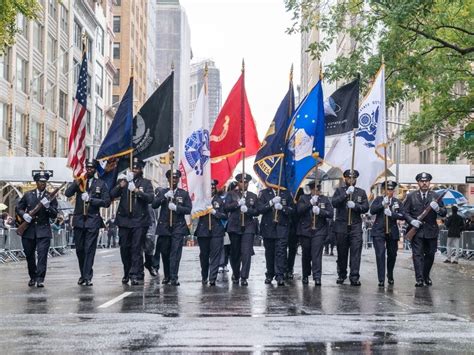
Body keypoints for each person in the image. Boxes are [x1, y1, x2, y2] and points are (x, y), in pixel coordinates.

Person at [65, 159, 110, 286]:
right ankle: (83, 274)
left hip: (92, 220)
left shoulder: (101, 184)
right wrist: (76, 182)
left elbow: (106, 202)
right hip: (79, 220)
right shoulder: (80, 182)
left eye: (92, 168)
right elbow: (67, 193)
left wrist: (92, 200)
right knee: (80, 249)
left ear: (95, 170)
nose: (89, 170)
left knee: (89, 249)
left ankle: (87, 276)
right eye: (87, 167)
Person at [110, 158, 154, 285]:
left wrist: (136, 191)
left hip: (139, 220)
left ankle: (135, 274)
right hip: (124, 220)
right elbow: (112, 194)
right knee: (124, 247)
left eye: (137, 168)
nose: (134, 170)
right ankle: (126, 272)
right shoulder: (123, 181)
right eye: (132, 168)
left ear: (141, 170)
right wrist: (121, 185)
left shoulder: (146, 183)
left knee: (136, 248)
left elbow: (150, 198)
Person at [403, 172, 447, 287]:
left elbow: (444, 212)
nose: (424, 183)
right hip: (417, 231)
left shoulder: (435, 196)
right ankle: (419, 279)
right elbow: (405, 212)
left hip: (431, 230)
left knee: (430, 255)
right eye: (422, 181)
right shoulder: (411, 196)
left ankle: (426, 275)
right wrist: (412, 221)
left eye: (426, 181)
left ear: (429, 182)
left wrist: (438, 209)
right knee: (417, 255)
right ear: (418, 182)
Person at [15, 170, 58, 287]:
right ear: (36, 182)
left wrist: (48, 207)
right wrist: (24, 215)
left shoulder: (50, 197)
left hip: (43, 230)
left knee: (42, 255)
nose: (42, 184)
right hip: (29, 230)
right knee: (29, 255)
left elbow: (55, 214)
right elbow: (18, 208)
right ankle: (33, 276)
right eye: (40, 181)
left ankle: (40, 278)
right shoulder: (28, 195)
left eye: (44, 182)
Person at [152, 169, 192, 286]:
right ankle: (167, 275)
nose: (174, 180)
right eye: (171, 178)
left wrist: (177, 208)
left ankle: (174, 277)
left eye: (176, 178)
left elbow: (188, 209)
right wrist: (164, 197)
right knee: (165, 253)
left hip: (178, 227)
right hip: (164, 227)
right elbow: (154, 205)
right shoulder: (163, 191)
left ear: (178, 179)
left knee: (175, 253)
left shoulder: (183, 193)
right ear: (168, 179)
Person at [331, 169, 369, 286]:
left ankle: (354, 276)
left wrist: (356, 206)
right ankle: (342, 274)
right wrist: (346, 194)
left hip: (355, 226)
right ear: (345, 179)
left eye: (353, 178)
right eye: (349, 178)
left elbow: (366, 207)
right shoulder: (339, 191)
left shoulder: (361, 192)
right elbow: (334, 203)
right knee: (342, 253)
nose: (351, 180)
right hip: (341, 225)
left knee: (356, 252)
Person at [296, 181, 334, 286]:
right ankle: (305, 274)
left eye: (319, 189)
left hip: (319, 230)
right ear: (312, 189)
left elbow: (330, 213)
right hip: (305, 230)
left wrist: (320, 212)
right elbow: (299, 211)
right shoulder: (304, 198)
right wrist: (310, 204)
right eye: (316, 189)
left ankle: (317, 276)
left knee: (316, 254)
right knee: (306, 254)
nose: (318, 191)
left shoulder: (325, 199)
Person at [257, 183, 294, 286]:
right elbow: (259, 209)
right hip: (268, 227)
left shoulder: (286, 193)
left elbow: (292, 210)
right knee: (269, 253)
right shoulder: (264, 193)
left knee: (281, 252)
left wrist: (283, 208)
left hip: (282, 227)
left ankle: (280, 275)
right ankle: (270, 274)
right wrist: (271, 202)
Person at [224, 173, 259, 286]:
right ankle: (236, 273)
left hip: (248, 226)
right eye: (242, 182)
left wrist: (248, 210)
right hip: (234, 227)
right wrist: (237, 203)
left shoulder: (253, 196)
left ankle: (244, 277)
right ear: (238, 183)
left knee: (246, 253)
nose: (245, 184)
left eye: (246, 182)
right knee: (235, 253)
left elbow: (257, 211)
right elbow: (226, 207)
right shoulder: (231, 194)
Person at [369, 181, 405, 287]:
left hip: (392, 231)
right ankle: (381, 278)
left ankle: (390, 274)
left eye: (391, 189)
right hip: (379, 231)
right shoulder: (379, 199)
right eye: (388, 189)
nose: (389, 191)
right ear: (384, 190)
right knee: (380, 254)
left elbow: (402, 215)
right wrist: (382, 205)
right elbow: (372, 210)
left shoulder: (397, 202)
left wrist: (392, 214)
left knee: (392, 255)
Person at [194, 179, 227, 286]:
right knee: (204, 255)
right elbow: (193, 212)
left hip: (216, 231)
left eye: (213, 187)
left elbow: (225, 215)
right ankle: (204, 275)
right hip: (203, 231)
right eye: (209, 187)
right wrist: (202, 208)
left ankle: (212, 277)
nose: (211, 189)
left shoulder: (221, 200)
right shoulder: (200, 199)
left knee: (215, 255)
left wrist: (214, 212)